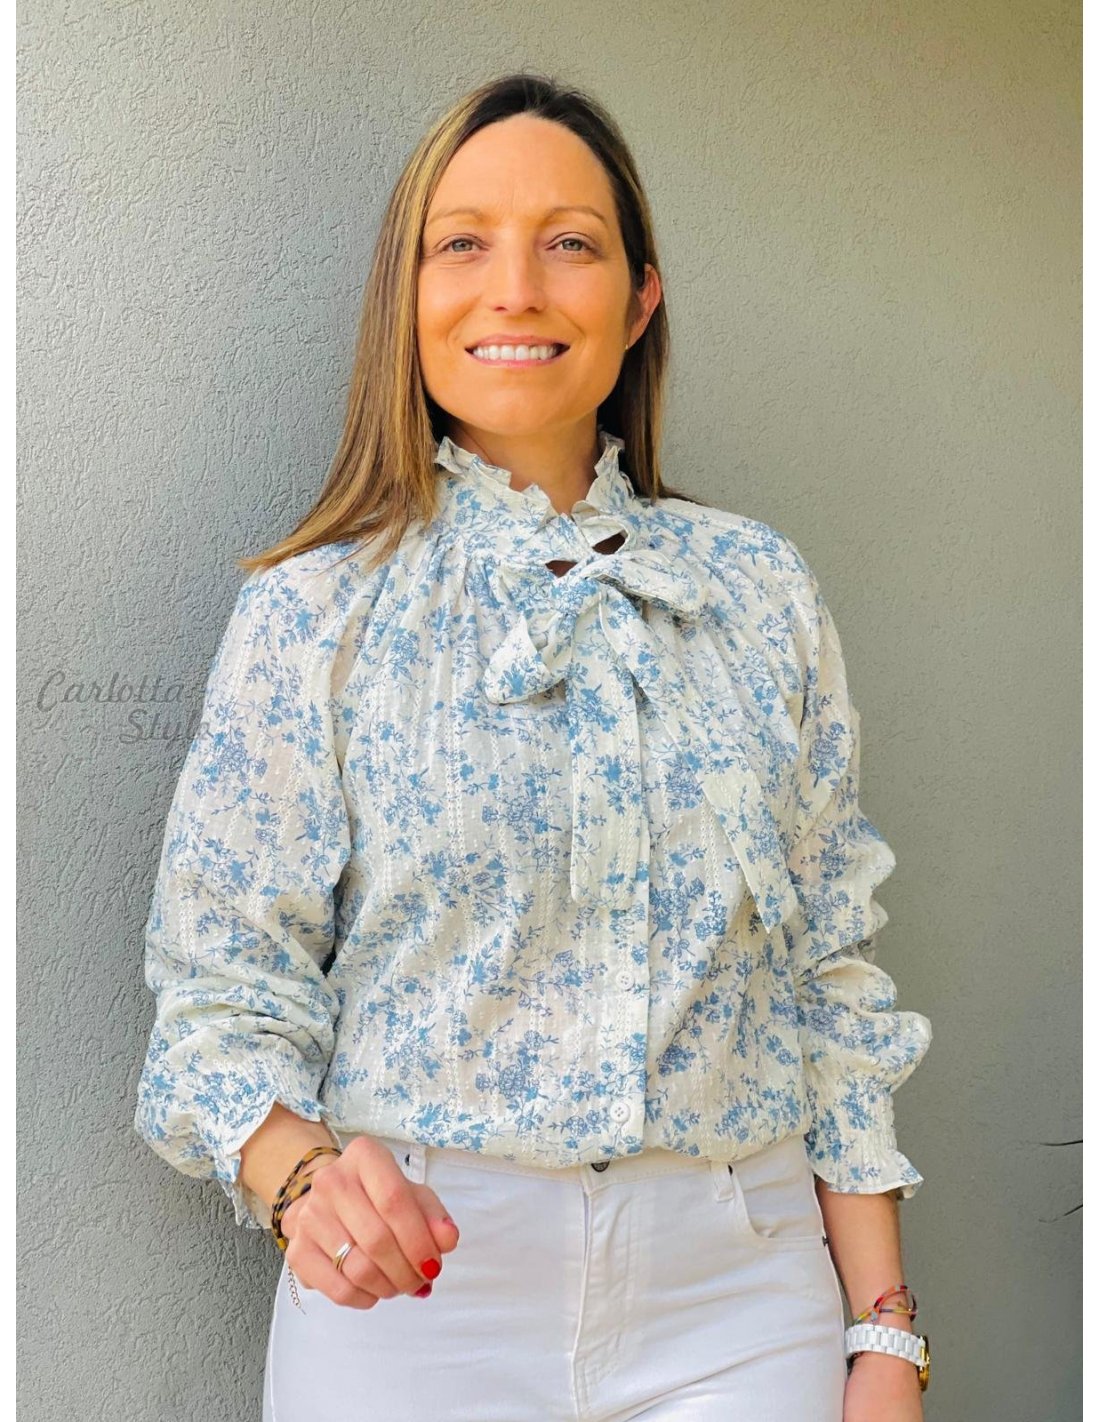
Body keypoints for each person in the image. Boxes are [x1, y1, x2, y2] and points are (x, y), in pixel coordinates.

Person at [133, 71, 933, 1421]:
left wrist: (884, 1333)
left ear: (639, 299)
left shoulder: (757, 590)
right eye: (463, 243)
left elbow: (829, 976)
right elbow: (220, 986)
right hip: (414, 1305)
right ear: (407, 297)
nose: (515, 289)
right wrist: (302, 1179)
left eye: (570, 242)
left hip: (742, 1298)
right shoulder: (314, 610)